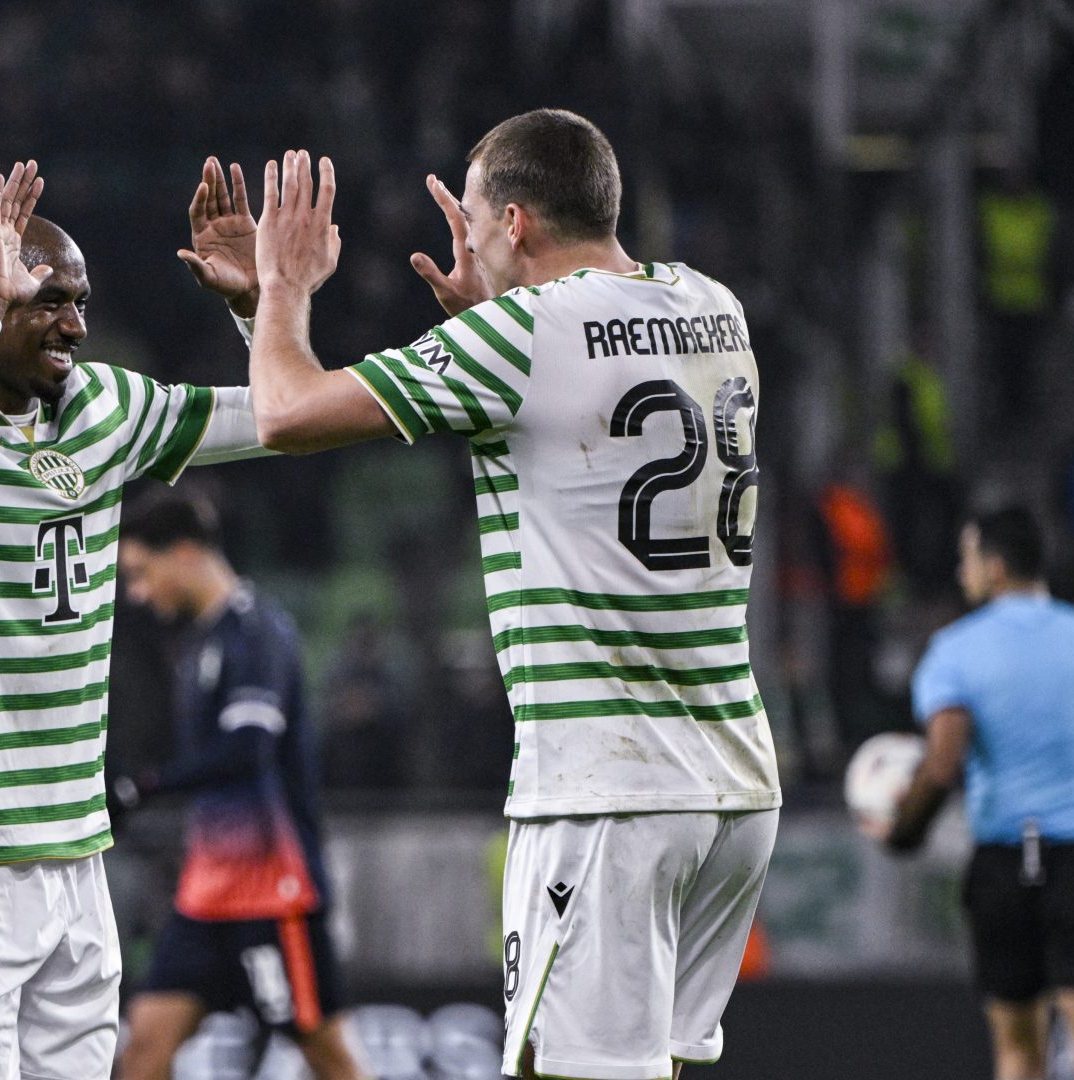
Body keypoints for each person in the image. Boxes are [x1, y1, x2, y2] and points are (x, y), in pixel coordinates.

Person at [232, 109, 781, 1079]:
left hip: (607, 790)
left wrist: (281, 287)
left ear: (516, 222)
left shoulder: (524, 333)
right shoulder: (714, 305)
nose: (470, 240)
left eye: (475, 219)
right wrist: (482, 319)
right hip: (734, 783)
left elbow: (284, 414)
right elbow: (584, 406)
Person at [0, 161, 272, 1080]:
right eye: (49, 301)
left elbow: (277, 419)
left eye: (80, 302)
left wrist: (260, 312)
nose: (76, 324)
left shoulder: (103, 408)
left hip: (73, 860)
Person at [108, 491, 367, 1080]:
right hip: (206, 893)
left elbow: (248, 749)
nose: (138, 592)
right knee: (145, 1046)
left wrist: (141, 788)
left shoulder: (256, 632)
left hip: (274, 891)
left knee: (329, 1058)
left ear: (183, 552)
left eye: (141, 573)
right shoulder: (202, 639)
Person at [882, 506, 1074, 1080]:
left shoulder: (955, 649)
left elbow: (942, 763)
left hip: (1002, 864)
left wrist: (903, 833)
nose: (959, 570)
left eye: (965, 558)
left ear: (994, 567)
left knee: (1018, 1048)